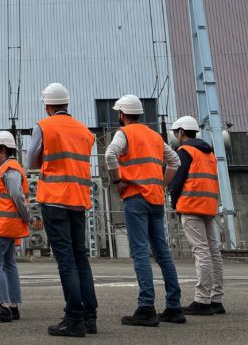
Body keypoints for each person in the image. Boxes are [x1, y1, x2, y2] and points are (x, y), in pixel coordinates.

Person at [105, 94, 184, 327]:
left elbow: (110, 154)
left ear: (122, 114)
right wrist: (160, 184)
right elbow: (175, 162)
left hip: (135, 198)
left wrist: (117, 179)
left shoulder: (124, 133)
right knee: (162, 253)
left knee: (140, 252)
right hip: (156, 199)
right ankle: (174, 307)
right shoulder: (154, 136)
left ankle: (146, 307)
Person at [27, 83, 98, 338]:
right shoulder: (84, 131)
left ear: (47, 105)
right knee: (81, 258)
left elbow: (31, 161)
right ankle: (90, 316)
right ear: (67, 104)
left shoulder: (44, 126)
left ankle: (74, 318)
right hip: (79, 200)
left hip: (55, 200)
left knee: (66, 260)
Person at [168, 115, 225, 316]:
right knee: (213, 251)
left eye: (176, 133)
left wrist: (174, 202)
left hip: (191, 204)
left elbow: (176, 179)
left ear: (182, 132)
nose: (175, 136)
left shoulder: (184, 151)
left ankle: (202, 300)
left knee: (201, 252)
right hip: (208, 206)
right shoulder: (208, 152)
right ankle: (216, 299)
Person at [0, 131, 30, 324]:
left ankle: (3, 306)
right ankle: (12, 305)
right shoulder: (7, 168)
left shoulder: (9, 170)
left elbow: (17, 196)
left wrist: (26, 216)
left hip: (2, 227)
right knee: (9, 265)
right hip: (6, 226)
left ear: (3, 150)